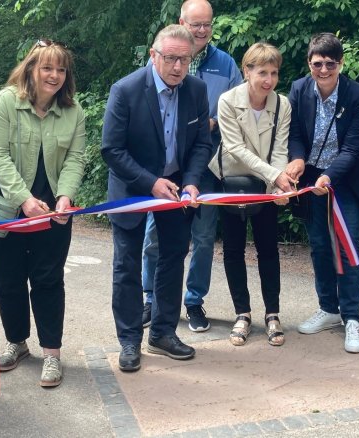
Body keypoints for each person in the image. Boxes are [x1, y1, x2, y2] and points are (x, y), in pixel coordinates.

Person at [102, 24, 213, 372]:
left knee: (172, 258)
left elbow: (201, 145)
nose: (178, 67)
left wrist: (193, 182)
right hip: (133, 188)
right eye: (170, 58)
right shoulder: (126, 90)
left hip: (178, 188)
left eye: (185, 59)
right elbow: (112, 150)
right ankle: (130, 340)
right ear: (154, 55)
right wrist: (150, 183)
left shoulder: (195, 90)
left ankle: (163, 333)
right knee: (127, 266)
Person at [0, 39, 85, 388]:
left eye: (60, 69)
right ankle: (17, 344)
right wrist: (24, 199)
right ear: (31, 69)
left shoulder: (74, 111)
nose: (54, 75)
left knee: (48, 281)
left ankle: (52, 354)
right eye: (47, 67)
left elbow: (75, 158)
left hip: (53, 216)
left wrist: (65, 196)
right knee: (8, 282)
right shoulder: (6, 102)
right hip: (7, 210)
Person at [141, 0, 242, 332]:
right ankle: (150, 298)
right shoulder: (163, 56)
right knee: (156, 233)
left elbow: (240, 112)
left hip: (207, 163)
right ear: (180, 21)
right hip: (168, 165)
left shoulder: (226, 65)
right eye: (195, 23)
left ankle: (194, 301)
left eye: (207, 25)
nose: (201, 30)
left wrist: (212, 124)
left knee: (202, 235)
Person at [286, 33, 359, 354]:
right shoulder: (298, 90)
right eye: (317, 63)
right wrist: (298, 161)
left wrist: (329, 175)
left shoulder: (357, 95)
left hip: (346, 181)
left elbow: (354, 147)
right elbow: (295, 134)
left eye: (330, 63)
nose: (323, 70)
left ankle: (351, 317)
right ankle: (328, 308)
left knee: (347, 246)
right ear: (308, 63)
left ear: (340, 63)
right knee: (320, 245)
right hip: (312, 180)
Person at [209, 42, 293, 347]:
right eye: (261, 72)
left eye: (273, 73)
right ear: (247, 72)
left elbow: (280, 149)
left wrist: (278, 185)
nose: (268, 80)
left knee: (268, 248)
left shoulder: (283, 104)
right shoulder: (227, 101)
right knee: (233, 249)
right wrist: (276, 175)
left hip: (267, 185)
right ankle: (242, 313)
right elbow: (234, 148)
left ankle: (273, 314)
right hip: (233, 180)